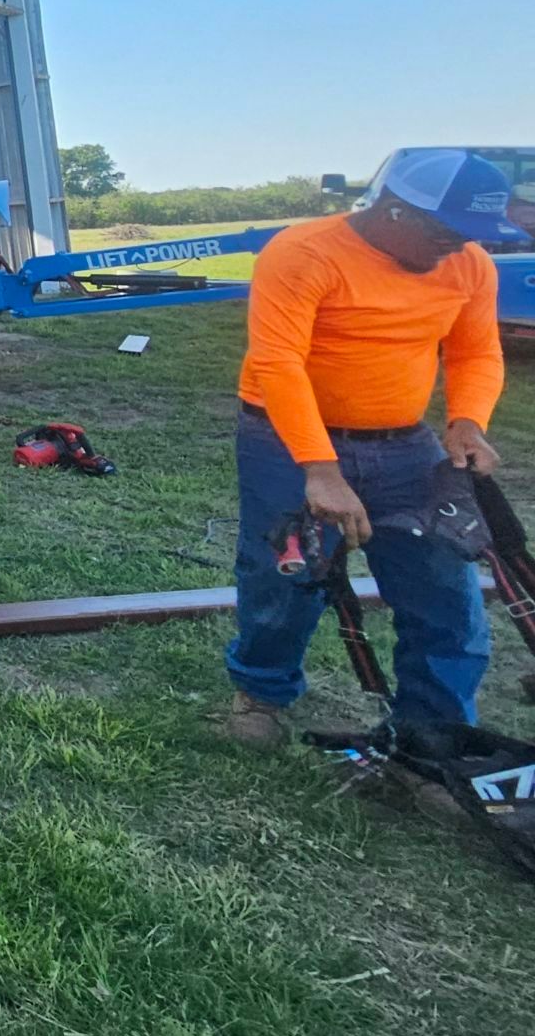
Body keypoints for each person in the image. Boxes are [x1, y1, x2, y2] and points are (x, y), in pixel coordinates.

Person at [222, 149, 522, 743]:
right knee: (286, 574)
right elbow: (278, 362)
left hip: (409, 447)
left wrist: (467, 420)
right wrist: (320, 469)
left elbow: (475, 351)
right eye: (449, 231)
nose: (459, 247)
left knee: (443, 587)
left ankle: (434, 733)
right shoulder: (303, 252)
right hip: (284, 439)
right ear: (393, 211)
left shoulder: (469, 265)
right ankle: (261, 693)